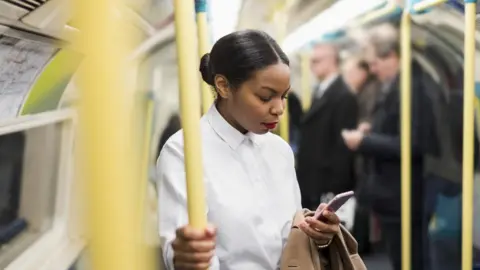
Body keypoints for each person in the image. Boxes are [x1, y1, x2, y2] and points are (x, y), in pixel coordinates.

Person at [157, 30, 342, 270]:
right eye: (266, 97)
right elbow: (181, 253)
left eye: (284, 96)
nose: (279, 109)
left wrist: (318, 236)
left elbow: (292, 236)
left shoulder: (279, 150)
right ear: (223, 86)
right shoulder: (184, 151)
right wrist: (185, 256)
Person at [341, 28, 437, 270]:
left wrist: (364, 142)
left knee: (409, 258)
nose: (372, 70)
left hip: (405, 191)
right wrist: (370, 130)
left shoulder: (413, 89)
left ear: (393, 56)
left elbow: (413, 143)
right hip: (393, 192)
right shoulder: (396, 86)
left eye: (376, 63)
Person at [296, 43, 358, 211]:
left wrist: (334, 190)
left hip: (326, 184)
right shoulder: (322, 91)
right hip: (313, 179)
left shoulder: (344, 96)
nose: (311, 65)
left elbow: (342, 150)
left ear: (331, 60)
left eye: (316, 61)